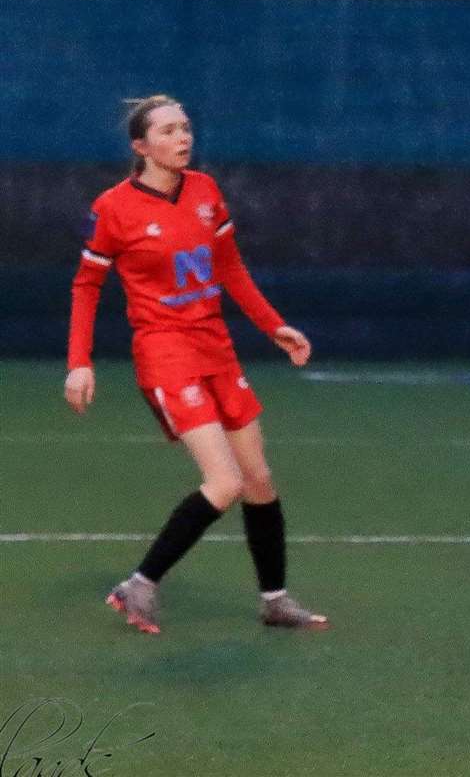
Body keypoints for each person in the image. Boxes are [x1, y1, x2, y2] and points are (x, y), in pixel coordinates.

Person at [65, 95, 327, 634]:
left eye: (185, 128)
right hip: (165, 353)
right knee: (224, 481)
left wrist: (271, 324)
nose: (183, 138)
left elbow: (229, 266)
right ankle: (140, 584)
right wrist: (79, 362)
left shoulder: (206, 190)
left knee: (258, 479)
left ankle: (274, 600)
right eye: (167, 131)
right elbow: (87, 284)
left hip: (216, 348)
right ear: (141, 146)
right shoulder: (114, 208)